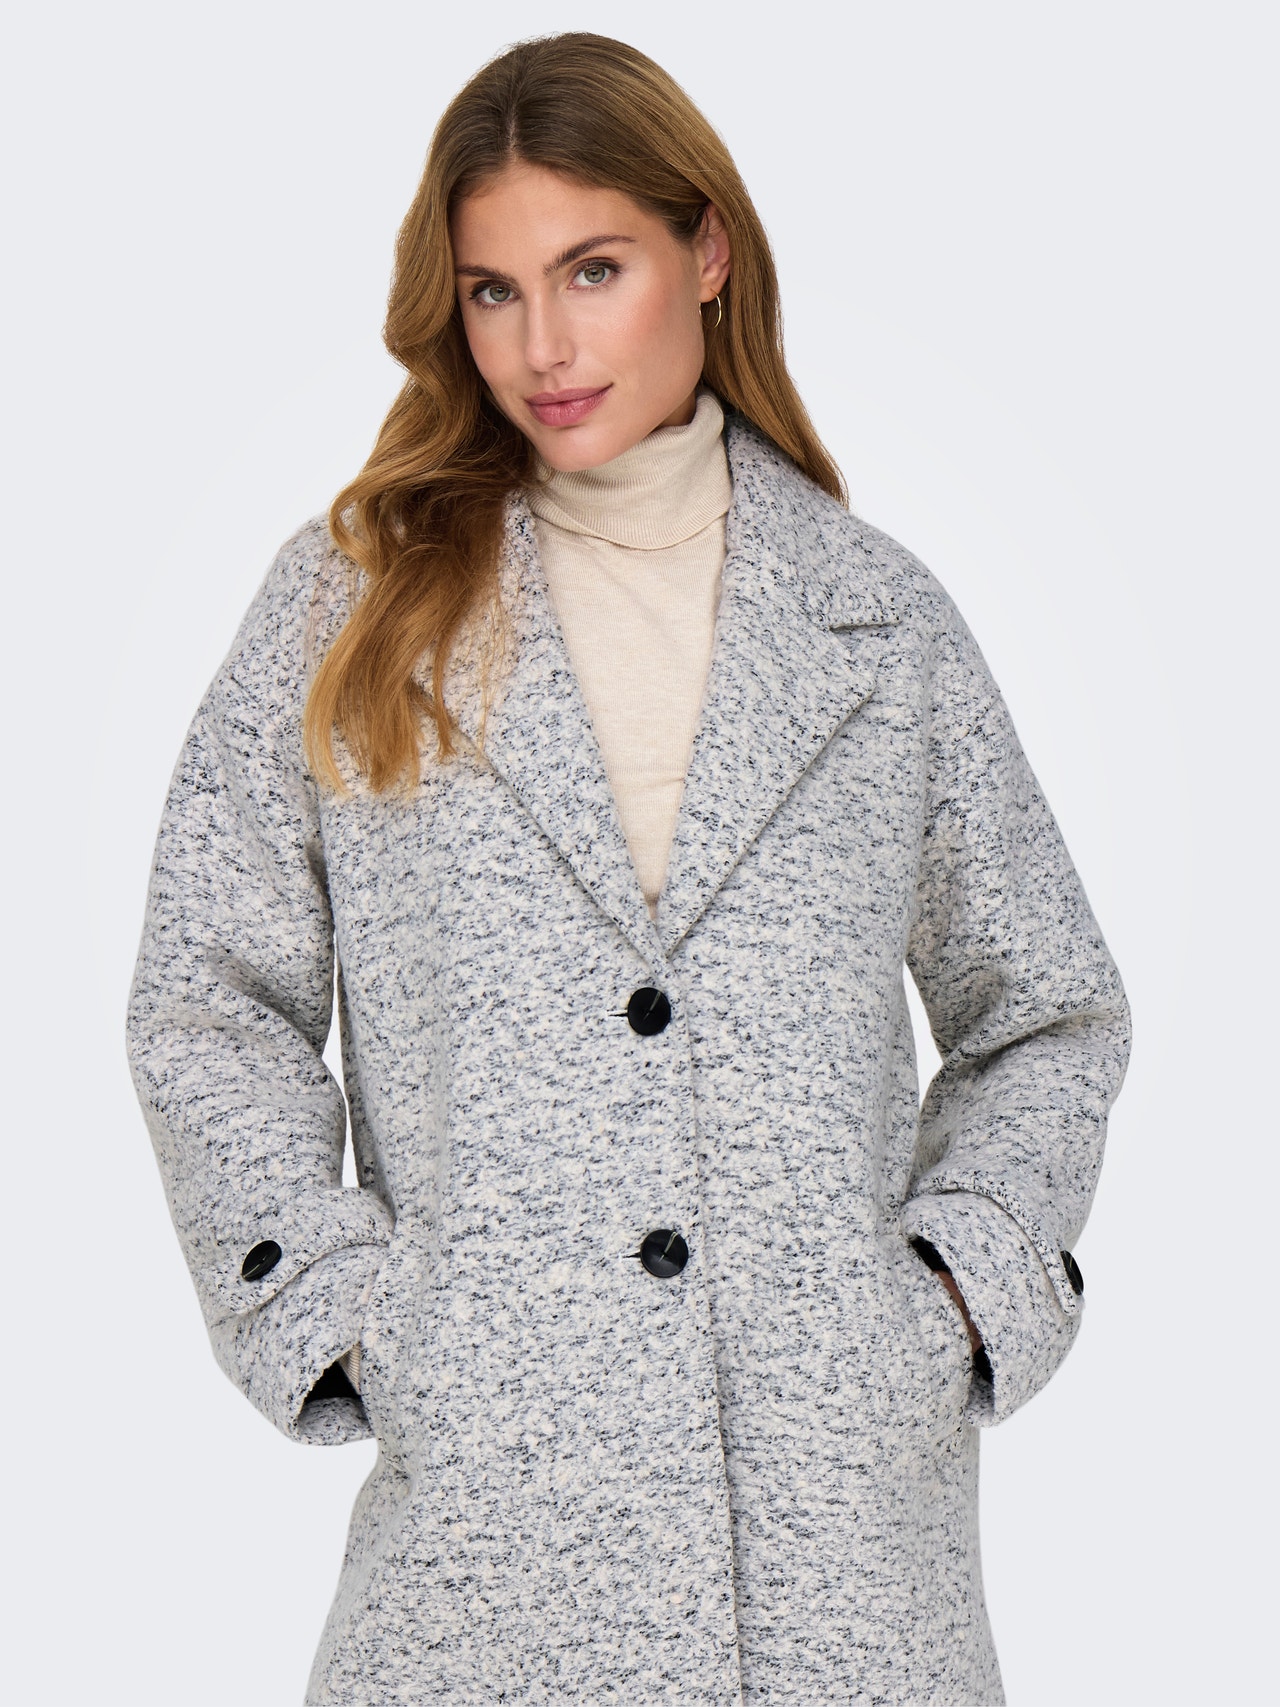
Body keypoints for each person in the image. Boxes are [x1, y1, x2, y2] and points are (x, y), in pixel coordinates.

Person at [126, 31, 1130, 1706]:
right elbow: (209, 995)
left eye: (594, 270)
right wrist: (349, 1311)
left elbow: (1045, 1012)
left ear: (706, 251)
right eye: (494, 291)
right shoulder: (350, 603)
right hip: (488, 1550)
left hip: (841, 1558)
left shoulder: (879, 624)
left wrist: (950, 1295)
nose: (545, 345)